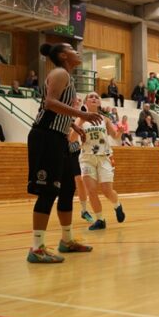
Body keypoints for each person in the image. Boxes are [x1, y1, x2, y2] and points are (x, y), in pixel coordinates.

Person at [26, 42, 101, 264]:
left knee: (67, 188)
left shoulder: (67, 76)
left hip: (59, 137)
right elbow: (50, 103)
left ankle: (66, 240)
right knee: (48, 191)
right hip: (45, 137)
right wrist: (82, 115)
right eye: (72, 49)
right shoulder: (60, 73)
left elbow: (58, 109)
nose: (77, 52)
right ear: (63, 55)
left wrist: (73, 125)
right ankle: (37, 247)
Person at [70, 92, 125, 231]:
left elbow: (115, 136)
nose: (94, 98)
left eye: (96, 97)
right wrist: (81, 121)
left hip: (104, 157)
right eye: (91, 97)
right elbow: (71, 138)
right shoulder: (79, 119)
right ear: (86, 103)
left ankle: (117, 205)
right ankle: (100, 220)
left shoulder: (105, 119)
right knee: (91, 191)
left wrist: (120, 131)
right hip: (86, 159)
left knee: (107, 191)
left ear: (99, 102)